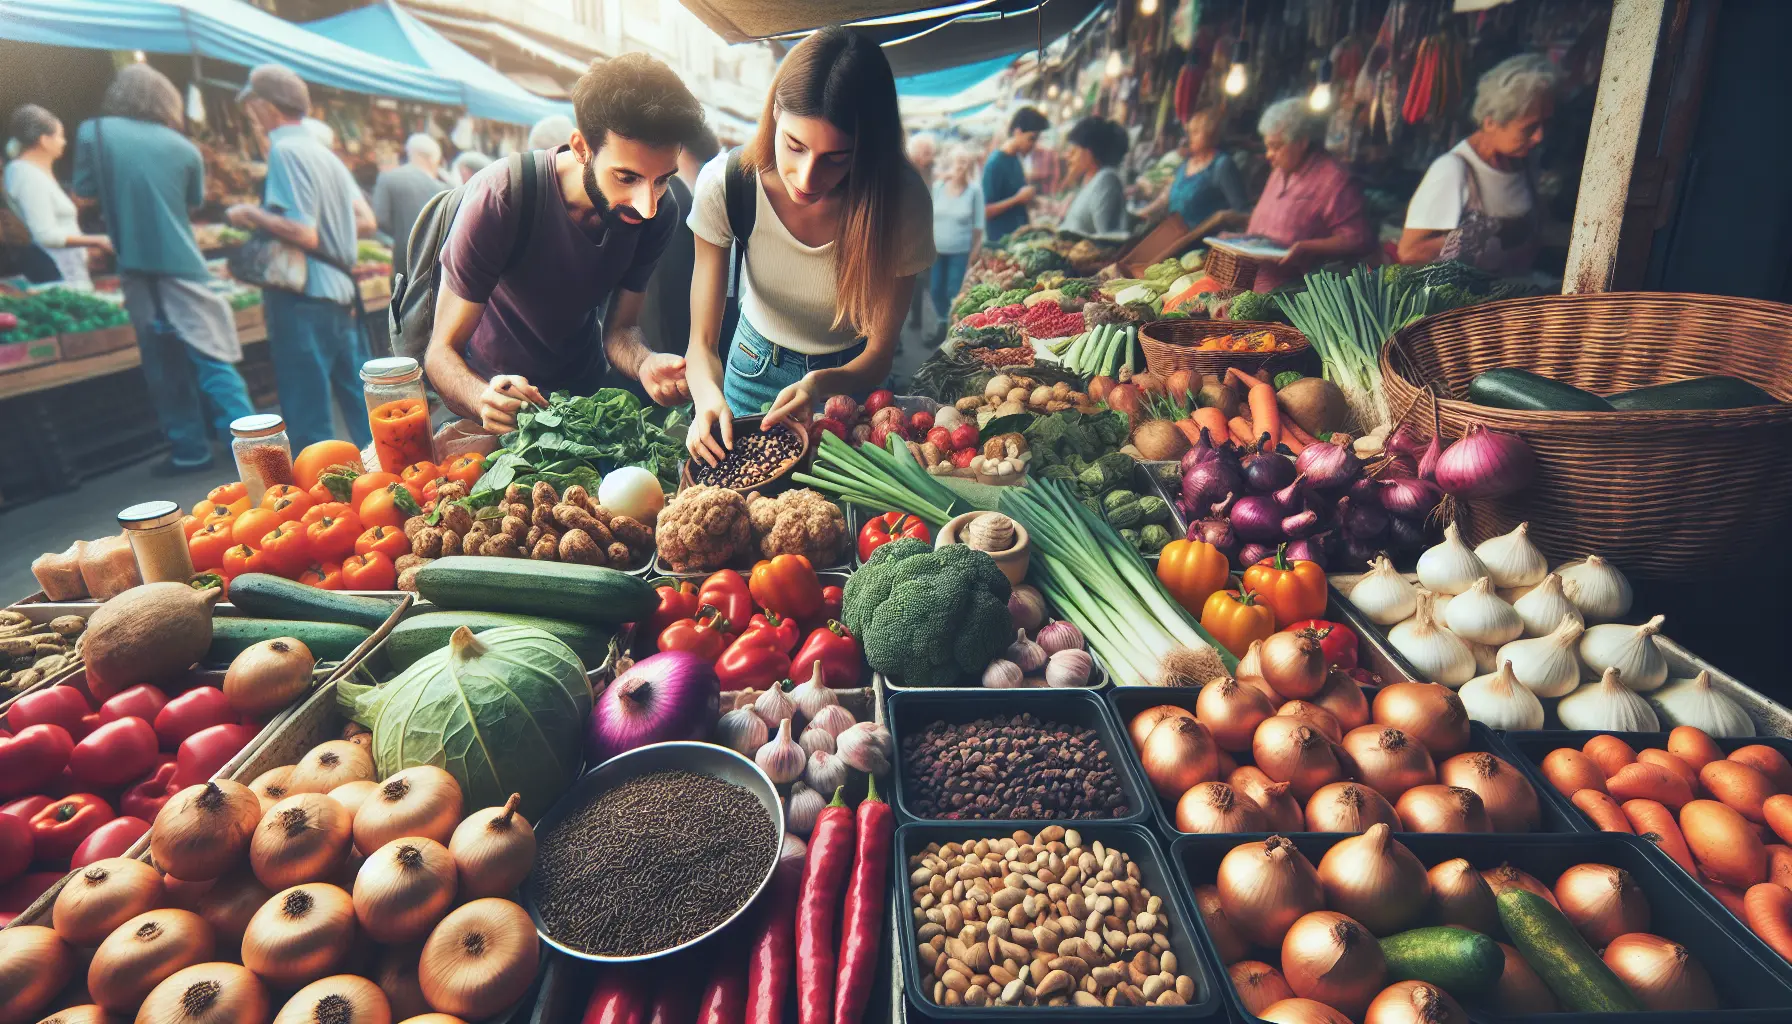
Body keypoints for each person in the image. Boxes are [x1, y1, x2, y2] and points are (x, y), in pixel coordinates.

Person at [684, 26, 934, 464]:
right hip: (751, 368)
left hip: (850, 384)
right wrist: (706, 397)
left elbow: (878, 356)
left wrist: (817, 385)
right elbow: (701, 345)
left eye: (836, 158)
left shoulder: (901, 203)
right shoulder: (726, 183)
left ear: (867, 150)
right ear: (775, 113)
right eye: (794, 146)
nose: (806, 177)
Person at [424, 54, 701, 434]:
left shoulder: (661, 214)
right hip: (495, 400)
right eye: (626, 178)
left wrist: (645, 364)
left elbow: (620, 330)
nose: (647, 205)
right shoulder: (503, 197)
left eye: (662, 179)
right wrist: (482, 396)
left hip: (583, 403)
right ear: (582, 147)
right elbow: (440, 352)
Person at [73, 64, 254, 475]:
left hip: (137, 269)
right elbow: (191, 205)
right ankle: (254, 446)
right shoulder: (184, 148)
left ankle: (190, 450)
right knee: (214, 360)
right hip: (186, 265)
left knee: (162, 365)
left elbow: (83, 196)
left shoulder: (94, 133)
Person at [227, 64, 378, 451]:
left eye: (252, 107)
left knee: (309, 417)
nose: (252, 116)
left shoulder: (285, 150)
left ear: (265, 106)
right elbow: (365, 220)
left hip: (304, 296)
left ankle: (324, 502)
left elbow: (303, 231)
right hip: (341, 292)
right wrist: (337, 230)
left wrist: (250, 214)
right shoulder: (324, 154)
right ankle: (388, 484)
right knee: (361, 408)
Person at [1399, 54, 1560, 273]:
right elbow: (1409, 252)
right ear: (1491, 122)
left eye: (1546, 124)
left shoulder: (1525, 164)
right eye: (1529, 128)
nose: (1539, 137)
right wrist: (1479, 235)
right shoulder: (1453, 170)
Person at [1242, 97, 1377, 292]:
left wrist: (1307, 247)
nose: (1269, 154)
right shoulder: (1278, 172)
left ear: (1302, 142)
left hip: (1294, 294)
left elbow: (1358, 238)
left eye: (1276, 146)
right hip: (1252, 284)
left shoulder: (1334, 179)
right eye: (1267, 146)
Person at [4, 104, 113, 286]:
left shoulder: (31, 172)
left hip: (67, 272)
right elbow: (45, 234)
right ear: (44, 140)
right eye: (60, 136)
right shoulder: (27, 175)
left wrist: (84, 252)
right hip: (55, 277)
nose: (63, 141)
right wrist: (99, 240)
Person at [638, 124, 720, 356]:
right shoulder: (711, 208)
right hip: (693, 362)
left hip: (660, 361)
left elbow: (657, 304)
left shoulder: (670, 202)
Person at [1138, 108, 1248, 233]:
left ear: (1210, 134)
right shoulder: (1186, 164)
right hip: (1176, 238)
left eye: (1195, 132)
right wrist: (1143, 213)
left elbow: (1241, 211)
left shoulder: (1222, 165)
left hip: (1203, 242)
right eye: (1189, 133)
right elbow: (1166, 197)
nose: (1189, 138)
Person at [372, 133, 449, 267]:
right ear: (434, 159)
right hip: (437, 264)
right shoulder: (448, 188)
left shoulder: (389, 179)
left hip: (402, 260)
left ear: (410, 153)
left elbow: (381, 220)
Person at [929, 143, 984, 319]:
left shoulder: (975, 191)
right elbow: (927, 217)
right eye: (958, 161)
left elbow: (978, 226)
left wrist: (974, 253)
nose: (961, 166)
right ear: (951, 163)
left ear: (970, 166)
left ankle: (949, 328)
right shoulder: (938, 187)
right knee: (935, 290)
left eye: (966, 162)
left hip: (960, 251)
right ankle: (942, 322)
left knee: (954, 292)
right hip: (936, 250)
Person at [1058, 117, 1131, 240]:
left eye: (1074, 151)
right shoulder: (1090, 180)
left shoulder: (1106, 180)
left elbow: (1109, 239)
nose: (1067, 156)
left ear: (1090, 152)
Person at [982, 107, 1047, 244]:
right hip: (1001, 245)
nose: (1033, 145)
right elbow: (984, 211)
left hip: (1019, 241)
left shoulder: (1016, 159)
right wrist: (1017, 199)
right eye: (1031, 139)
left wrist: (1037, 202)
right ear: (1017, 133)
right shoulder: (995, 163)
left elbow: (1019, 197)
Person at [905, 131, 938, 330]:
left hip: (925, 236)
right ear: (916, 153)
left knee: (919, 282)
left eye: (931, 152)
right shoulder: (905, 171)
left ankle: (916, 319)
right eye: (927, 152)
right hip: (905, 237)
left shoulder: (932, 171)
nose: (931, 156)